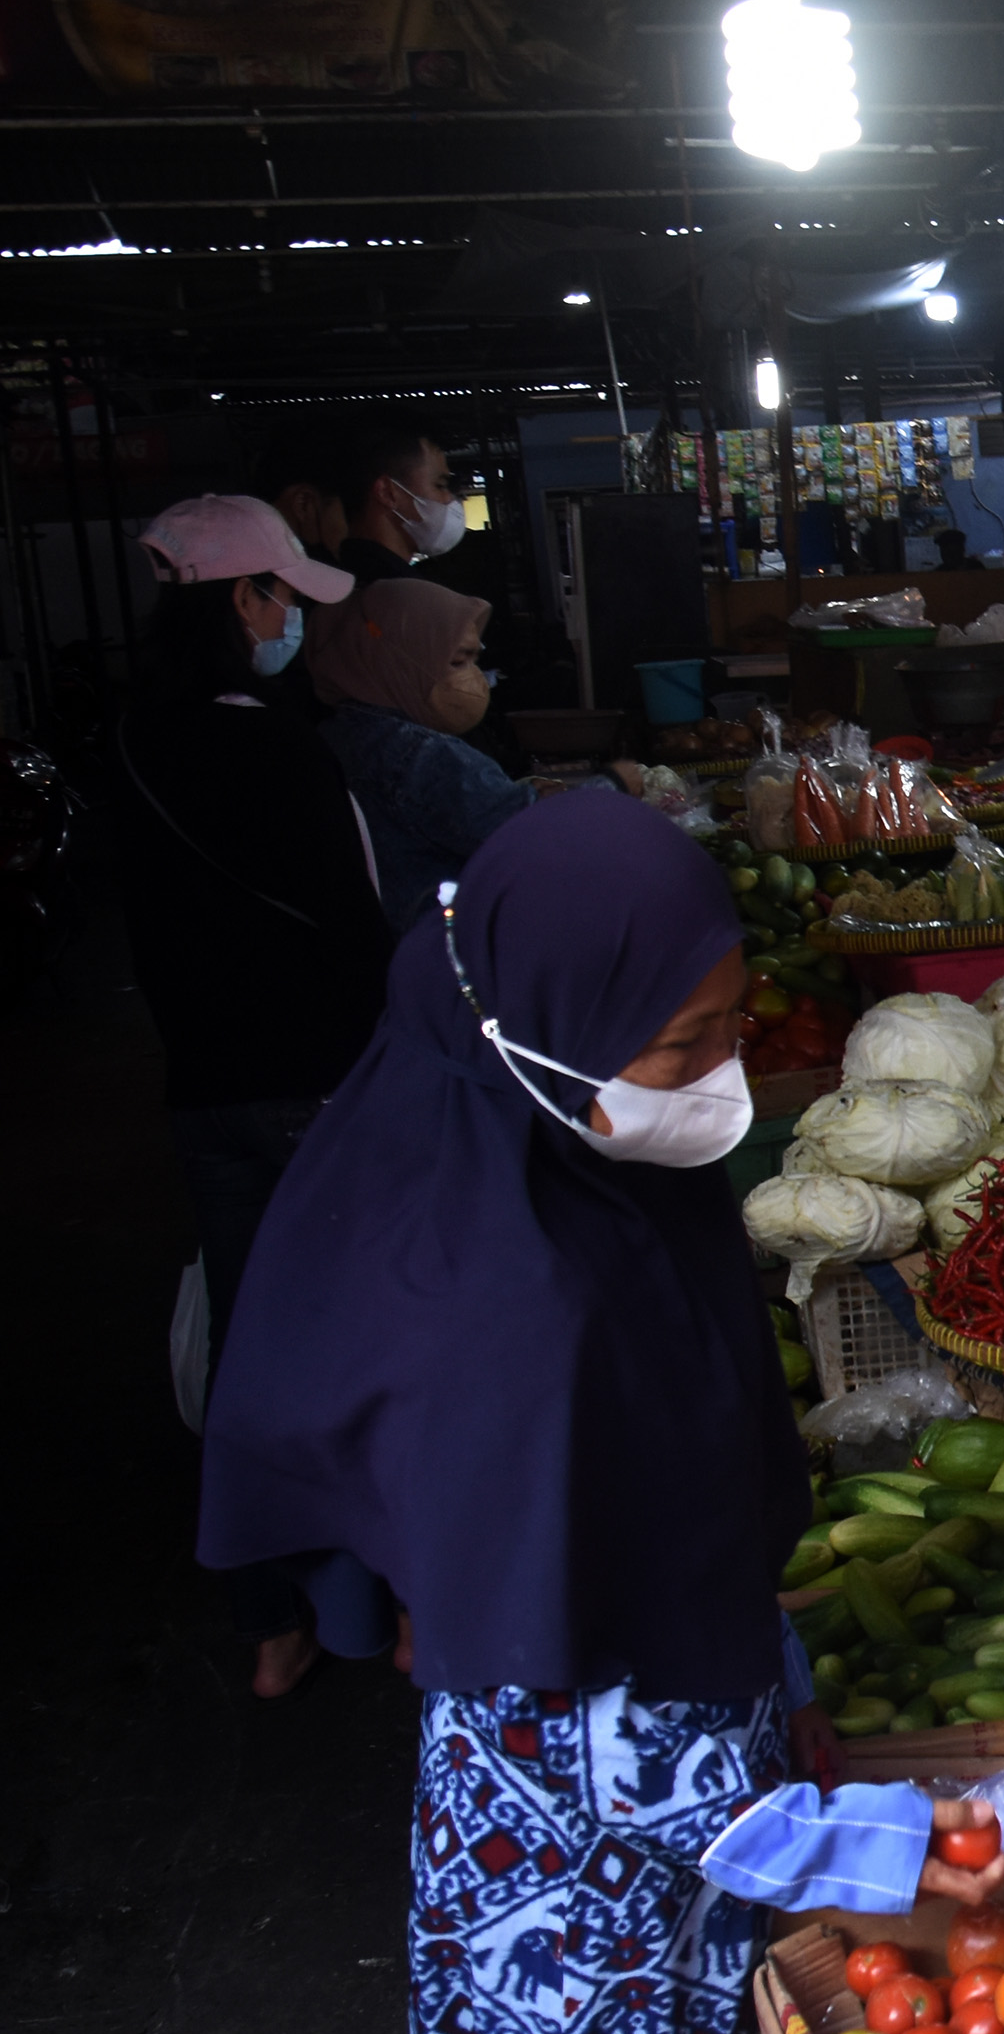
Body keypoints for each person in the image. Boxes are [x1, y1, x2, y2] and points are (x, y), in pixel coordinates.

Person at [195, 794, 1003, 2034]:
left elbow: (657, 1510)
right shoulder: (511, 1314)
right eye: (684, 1043)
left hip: (654, 1821)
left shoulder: (586, 1161)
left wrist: (768, 1662)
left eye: (733, 1025)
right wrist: (868, 1844)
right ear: (545, 1024)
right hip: (578, 1914)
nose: (723, 1076)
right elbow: (584, 1737)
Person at [95, 496, 395, 1696]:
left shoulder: (129, 743)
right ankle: (389, 1604)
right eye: (282, 598)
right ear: (242, 600)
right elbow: (355, 928)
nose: (289, 624)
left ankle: (269, 1618)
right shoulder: (274, 746)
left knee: (247, 1351)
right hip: (314, 1087)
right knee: (364, 1345)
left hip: (204, 1091)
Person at [309, 576, 639, 927]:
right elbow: (532, 839)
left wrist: (514, 797)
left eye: (473, 661)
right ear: (396, 660)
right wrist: (614, 785)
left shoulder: (331, 737)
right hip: (444, 942)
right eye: (458, 662)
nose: (473, 679)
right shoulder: (422, 755)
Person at [341, 420, 472, 592]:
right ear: (387, 492)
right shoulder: (416, 598)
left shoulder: (339, 581)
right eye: (439, 485)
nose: (449, 499)